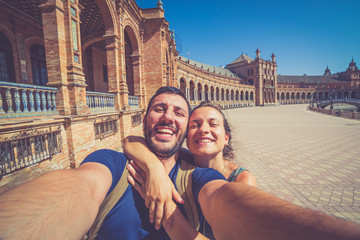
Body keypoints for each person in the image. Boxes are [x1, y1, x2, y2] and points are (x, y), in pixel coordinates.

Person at [0, 86, 359, 240]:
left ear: (183, 130)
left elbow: (235, 203)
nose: (169, 117)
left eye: (179, 112)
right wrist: (152, 167)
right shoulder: (110, 162)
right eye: (159, 109)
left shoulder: (201, 176)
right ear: (145, 120)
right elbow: (75, 187)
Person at [123, 100, 257, 239]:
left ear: (226, 138)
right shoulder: (184, 160)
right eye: (195, 125)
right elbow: (129, 141)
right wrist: (155, 169)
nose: (203, 130)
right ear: (187, 138)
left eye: (213, 124)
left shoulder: (242, 179)